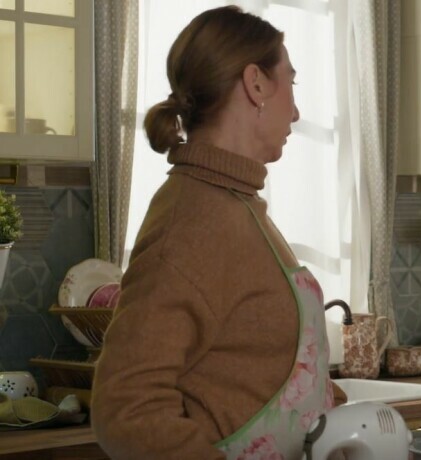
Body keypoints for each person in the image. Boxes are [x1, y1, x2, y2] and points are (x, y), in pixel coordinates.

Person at [91, 6, 346, 459]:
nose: (296, 110)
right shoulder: (192, 221)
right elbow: (126, 409)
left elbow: (254, 372)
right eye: (291, 82)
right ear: (255, 84)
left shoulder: (237, 203)